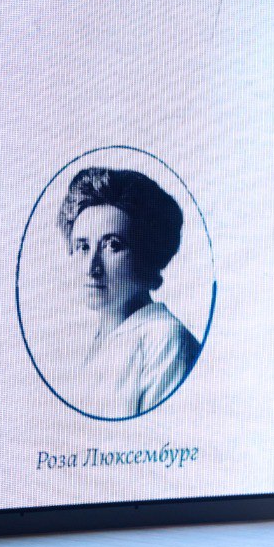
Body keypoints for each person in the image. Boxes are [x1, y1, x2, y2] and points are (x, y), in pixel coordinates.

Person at [56, 167, 201, 418]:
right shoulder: (86, 341)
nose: (92, 268)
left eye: (113, 245)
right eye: (83, 247)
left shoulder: (165, 339)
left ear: (147, 255)